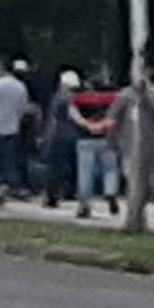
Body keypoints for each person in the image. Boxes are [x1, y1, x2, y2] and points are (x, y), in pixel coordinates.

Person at [109, 71, 154, 207]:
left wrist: (114, 136)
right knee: (149, 168)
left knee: (132, 169)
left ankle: (140, 194)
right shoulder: (153, 96)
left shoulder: (125, 95)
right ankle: (150, 192)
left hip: (130, 140)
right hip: (146, 140)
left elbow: (113, 117)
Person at [72, 78, 121, 219]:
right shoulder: (113, 99)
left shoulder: (78, 99)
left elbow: (74, 116)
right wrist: (103, 126)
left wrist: (89, 126)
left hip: (85, 139)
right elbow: (116, 118)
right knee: (110, 169)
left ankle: (85, 205)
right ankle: (110, 191)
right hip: (107, 139)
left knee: (85, 172)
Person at [0, 61, 30, 202]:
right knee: (9, 161)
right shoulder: (21, 87)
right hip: (12, 128)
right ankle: (11, 185)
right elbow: (22, 108)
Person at [43, 72, 82, 209]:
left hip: (59, 134)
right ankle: (69, 191)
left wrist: (47, 136)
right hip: (75, 135)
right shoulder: (78, 99)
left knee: (55, 167)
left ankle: (52, 195)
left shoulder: (58, 98)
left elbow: (53, 119)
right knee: (72, 165)